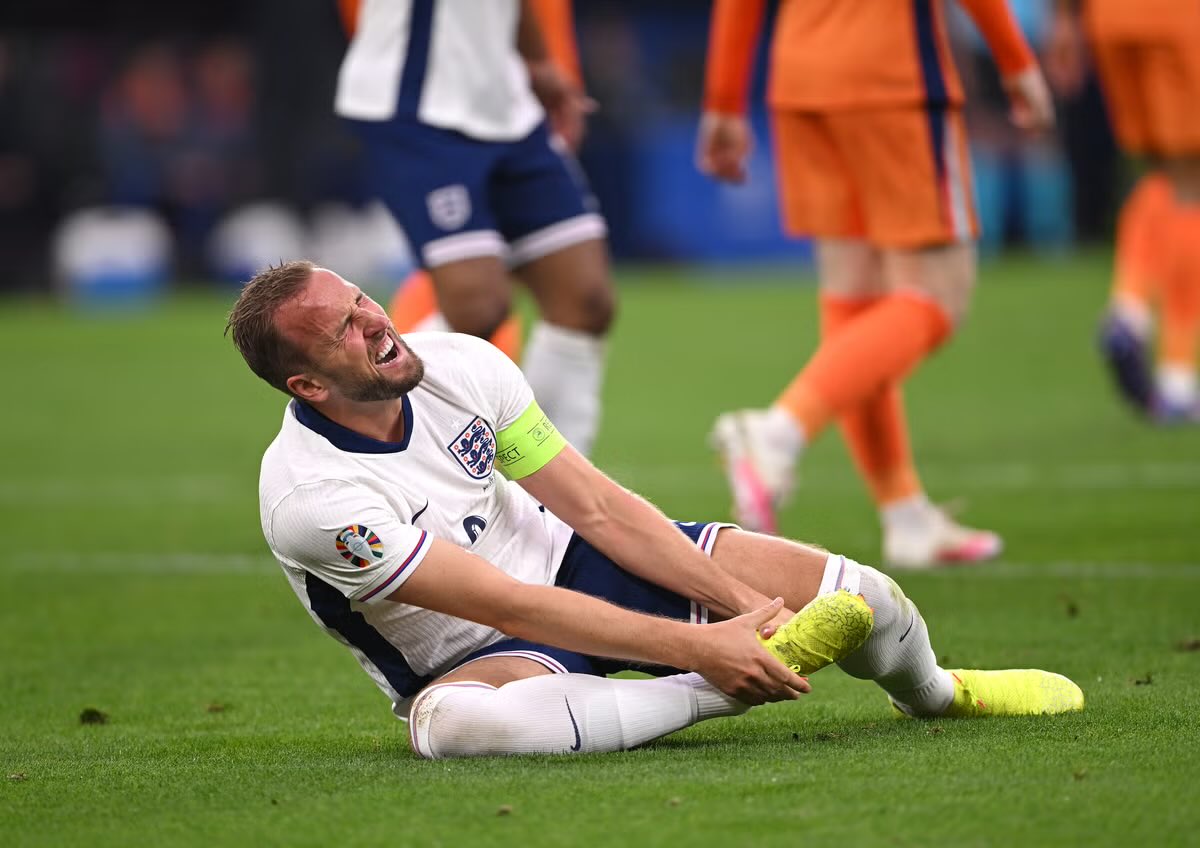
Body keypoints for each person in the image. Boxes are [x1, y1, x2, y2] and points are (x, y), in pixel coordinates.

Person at [225, 260, 1083, 759]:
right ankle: (707, 694)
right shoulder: (316, 499)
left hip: (576, 563)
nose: (376, 323)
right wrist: (703, 650)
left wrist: (747, 609)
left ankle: (937, 695)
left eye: (362, 300)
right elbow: (505, 604)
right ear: (306, 384)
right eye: (342, 329)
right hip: (483, 653)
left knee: (869, 599)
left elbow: (594, 507)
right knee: (462, 730)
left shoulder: (459, 364)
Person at [697, 0, 1055, 568]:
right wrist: (1016, 61)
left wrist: (723, 98)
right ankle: (778, 431)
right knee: (938, 298)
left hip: (802, 81)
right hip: (894, 79)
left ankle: (904, 514)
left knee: (855, 302)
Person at [333, 0, 611, 456]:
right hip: (416, 106)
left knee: (585, 299)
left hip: (507, 103)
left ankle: (553, 502)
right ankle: (361, 444)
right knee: (477, 308)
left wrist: (538, 60)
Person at [1047, 0, 1200, 421]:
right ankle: (1176, 376)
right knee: (1191, 182)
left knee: (1160, 171)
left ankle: (1129, 309)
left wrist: (1063, 18)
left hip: (1110, 18)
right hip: (1180, 19)